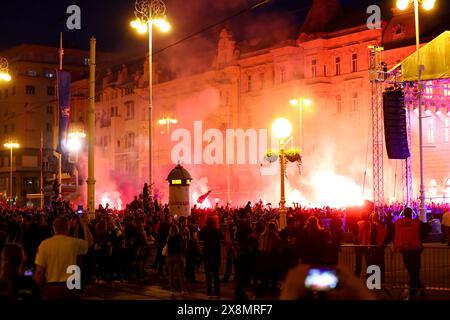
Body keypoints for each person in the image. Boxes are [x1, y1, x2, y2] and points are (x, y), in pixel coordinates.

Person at [33, 215, 93, 300]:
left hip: (51, 287)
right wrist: (84, 226)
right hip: (71, 286)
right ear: (68, 228)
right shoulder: (73, 243)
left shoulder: (44, 245)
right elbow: (89, 243)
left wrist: (35, 290)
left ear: (54, 228)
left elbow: (39, 272)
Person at [393, 207, 430, 299]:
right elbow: (428, 227)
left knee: (410, 269)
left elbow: (392, 232)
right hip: (415, 249)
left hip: (405, 250)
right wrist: (421, 237)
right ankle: (418, 286)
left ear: (403, 214)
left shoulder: (398, 223)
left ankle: (414, 290)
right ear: (411, 214)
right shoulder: (416, 223)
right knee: (415, 270)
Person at [199, 217, 223, 299]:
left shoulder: (204, 230)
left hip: (207, 255)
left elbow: (199, 236)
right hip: (215, 255)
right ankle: (216, 293)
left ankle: (209, 293)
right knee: (216, 276)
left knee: (208, 276)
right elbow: (222, 236)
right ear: (213, 223)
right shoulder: (216, 230)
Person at [166, 224, 186, 295]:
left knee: (171, 274)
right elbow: (182, 246)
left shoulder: (169, 237)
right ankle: (182, 289)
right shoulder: (180, 236)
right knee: (180, 274)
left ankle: (172, 290)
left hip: (170, 256)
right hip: (178, 255)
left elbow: (167, 245)